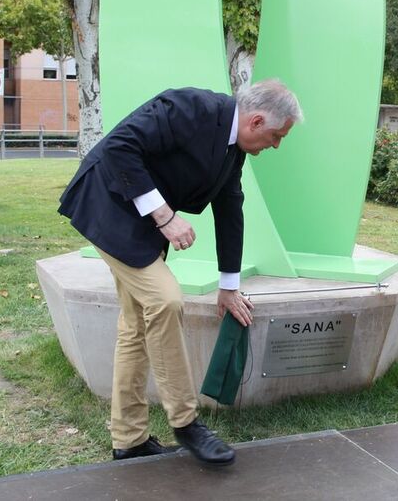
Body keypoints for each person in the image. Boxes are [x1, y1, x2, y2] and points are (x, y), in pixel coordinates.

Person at [59, 79, 302, 465]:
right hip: (106, 206)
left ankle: (129, 440)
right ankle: (186, 421)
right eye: (276, 136)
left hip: (139, 226)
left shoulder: (232, 149)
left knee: (136, 325)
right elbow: (120, 145)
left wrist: (229, 286)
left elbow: (230, 210)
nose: (276, 145)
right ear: (256, 121)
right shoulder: (190, 107)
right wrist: (165, 216)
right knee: (166, 301)